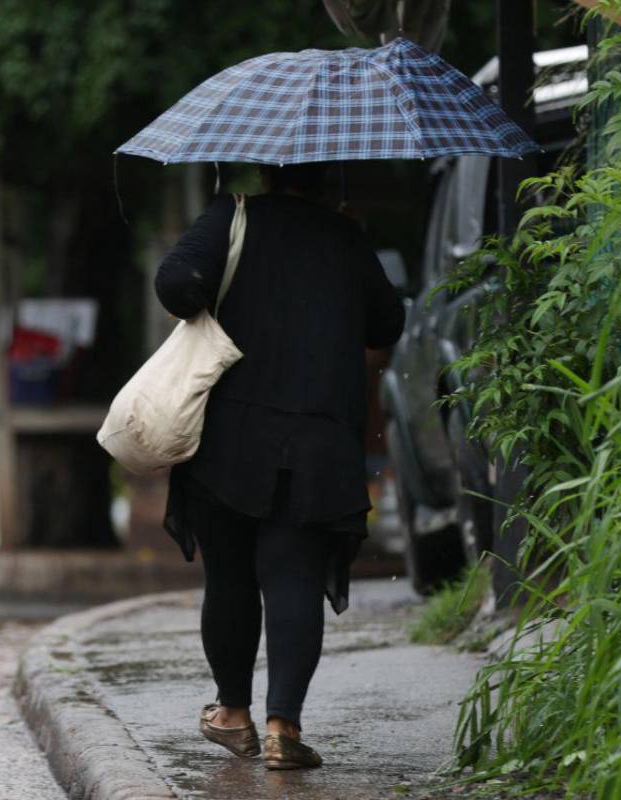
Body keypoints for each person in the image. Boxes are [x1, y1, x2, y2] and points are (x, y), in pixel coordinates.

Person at [154, 162, 405, 770]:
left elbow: (175, 283)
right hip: (316, 440)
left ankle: (233, 713)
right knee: (294, 578)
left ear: (269, 169)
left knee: (232, 578)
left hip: (229, 438)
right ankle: (282, 730)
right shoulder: (344, 235)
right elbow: (387, 324)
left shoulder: (231, 218)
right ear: (330, 178)